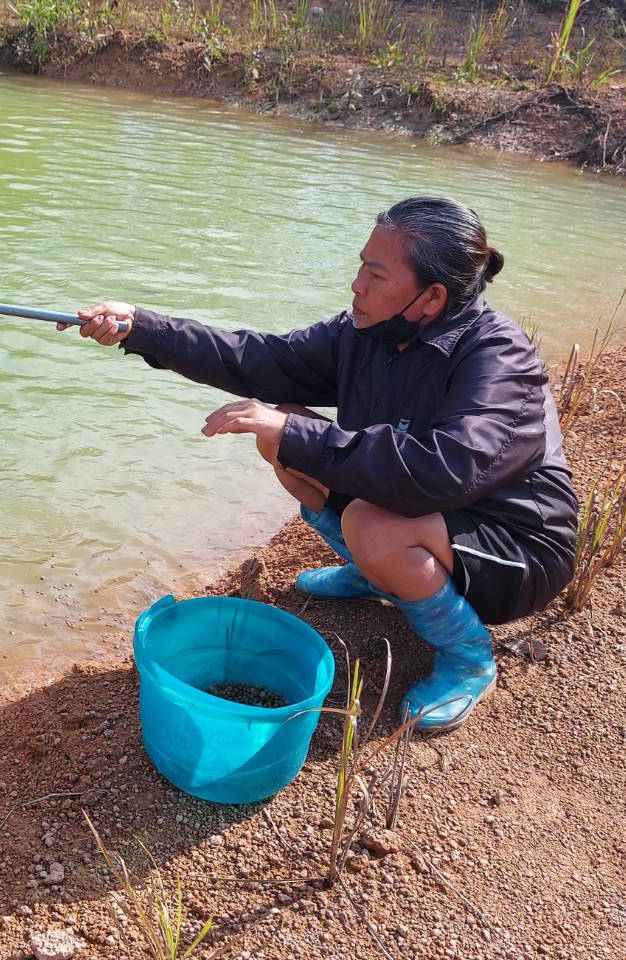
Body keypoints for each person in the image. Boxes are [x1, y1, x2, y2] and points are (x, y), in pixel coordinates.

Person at [66, 196, 576, 735]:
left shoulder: (498, 356)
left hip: (515, 548)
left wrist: (296, 431)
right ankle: (378, 570)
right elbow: (257, 358)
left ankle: (469, 655)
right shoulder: (365, 332)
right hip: (428, 514)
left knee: (364, 515)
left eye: (376, 276)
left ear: (432, 297)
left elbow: (441, 471)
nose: (356, 285)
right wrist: (142, 326)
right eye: (361, 266)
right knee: (282, 429)